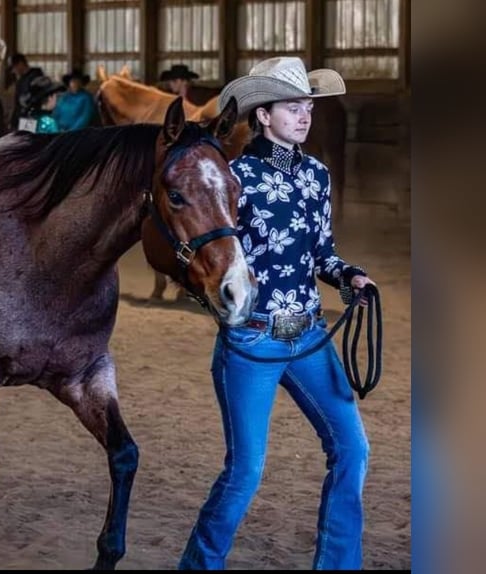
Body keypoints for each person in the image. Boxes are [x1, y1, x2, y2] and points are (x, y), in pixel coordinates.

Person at [178, 56, 377, 570]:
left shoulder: (316, 175)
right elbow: (206, 250)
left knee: (352, 450)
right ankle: (199, 565)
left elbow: (321, 255)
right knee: (245, 470)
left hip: (310, 336)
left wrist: (349, 275)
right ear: (263, 115)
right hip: (253, 340)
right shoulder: (233, 178)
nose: (305, 115)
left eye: (307, 106)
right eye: (293, 107)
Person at [4, 52, 44, 131]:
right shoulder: (20, 80)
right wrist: (13, 120)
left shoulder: (36, 77)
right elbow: (17, 102)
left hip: (33, 117)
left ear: (20, 64)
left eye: (13, 68)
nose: (13, 71)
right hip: (22, 117)